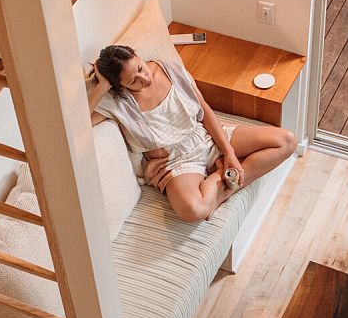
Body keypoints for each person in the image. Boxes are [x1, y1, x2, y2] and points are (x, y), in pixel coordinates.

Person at [90, 44, 297, 223]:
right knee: (194, 210)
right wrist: (102, 86)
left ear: (136, 55)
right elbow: (81, 122)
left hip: (203, 136)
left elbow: (204, 109)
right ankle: (220, 175)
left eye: (140, 68)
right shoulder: (117, 102)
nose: (144, 78)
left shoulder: (168, 69)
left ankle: (222, 190)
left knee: (286, 141)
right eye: (133, 81)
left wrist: (230, 153)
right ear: (120, 86)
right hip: (175, 162)